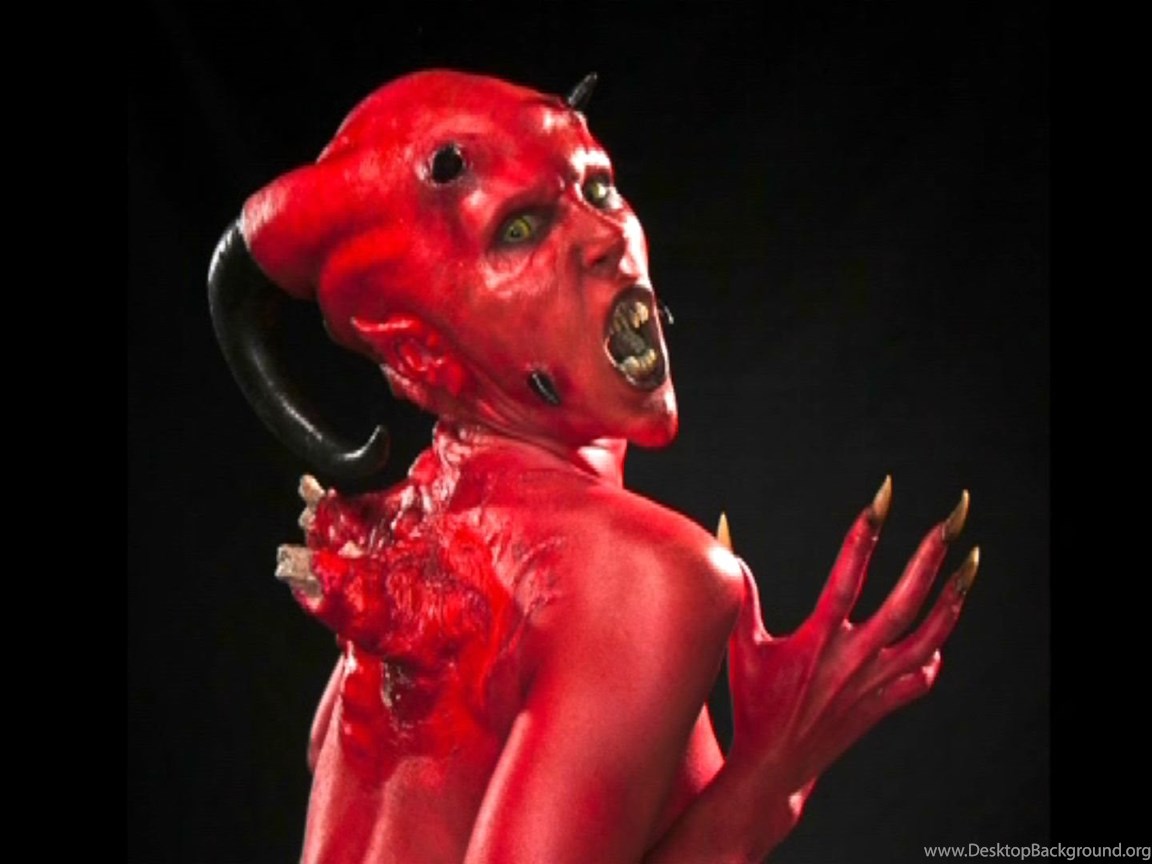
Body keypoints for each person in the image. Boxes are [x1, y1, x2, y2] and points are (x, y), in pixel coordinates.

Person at [208, 69, 978, 863]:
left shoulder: (410, 539)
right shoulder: (645, 576)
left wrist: (753, 770)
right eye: (518, 229)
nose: (606, 234)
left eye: (597, 188)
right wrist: (770, 779)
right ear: (420, 351)